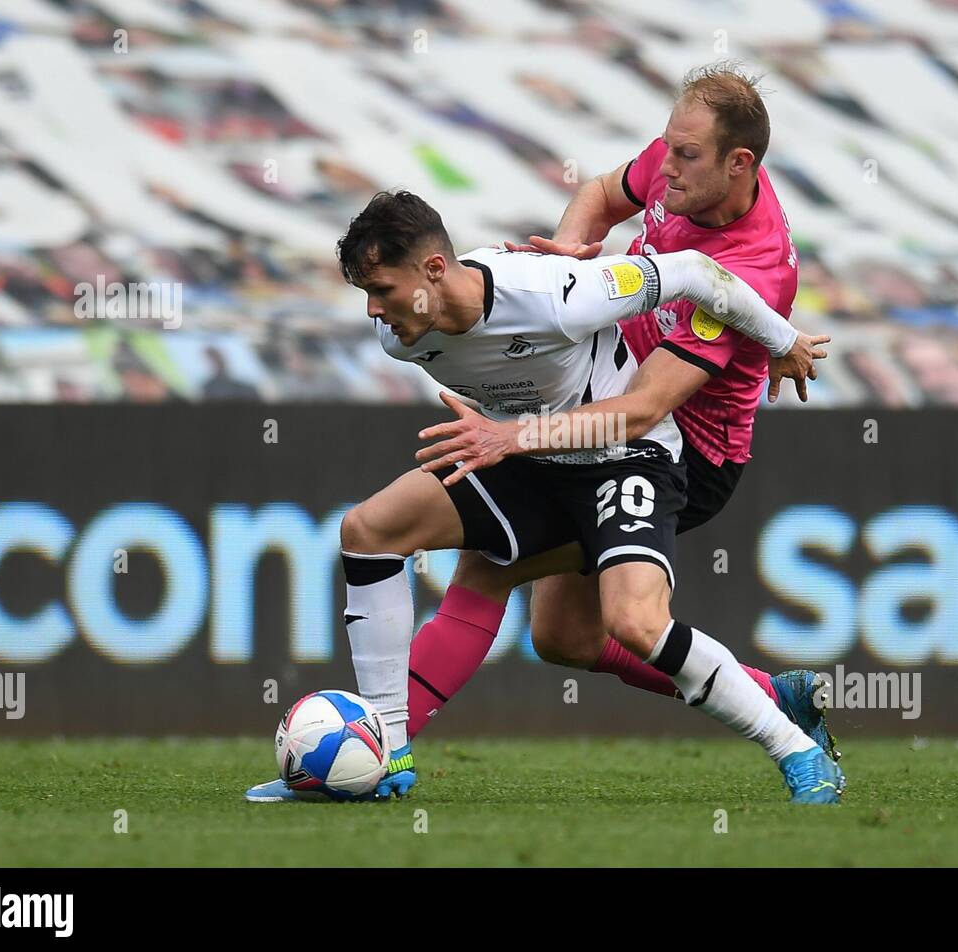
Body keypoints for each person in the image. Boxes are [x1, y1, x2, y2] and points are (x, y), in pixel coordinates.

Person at [246, 187, 842, 804]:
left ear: (432, 270)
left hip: (625, 457)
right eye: (365, 295)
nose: (373, 311)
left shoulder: (552, 294)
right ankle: (386, 748)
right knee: (368, 531)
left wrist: (780, 340)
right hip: (527, 456)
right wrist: (506, 433)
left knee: (633, 622)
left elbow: (693, 273)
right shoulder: (403, 337)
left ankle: (795, 748)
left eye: (383, 291)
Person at [399, 64, 839, 780]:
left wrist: (514, 436)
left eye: (686, 155)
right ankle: (770, 696)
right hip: (603, 395)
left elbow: (644, 410)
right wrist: (571, 259)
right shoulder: (682, 166)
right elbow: (602, 193)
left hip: (678, 454)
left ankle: (381, 746)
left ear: (740, 164)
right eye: (666, 147)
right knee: (564, 636)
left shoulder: (751, 270)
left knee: (493, 570)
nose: (665, 170)